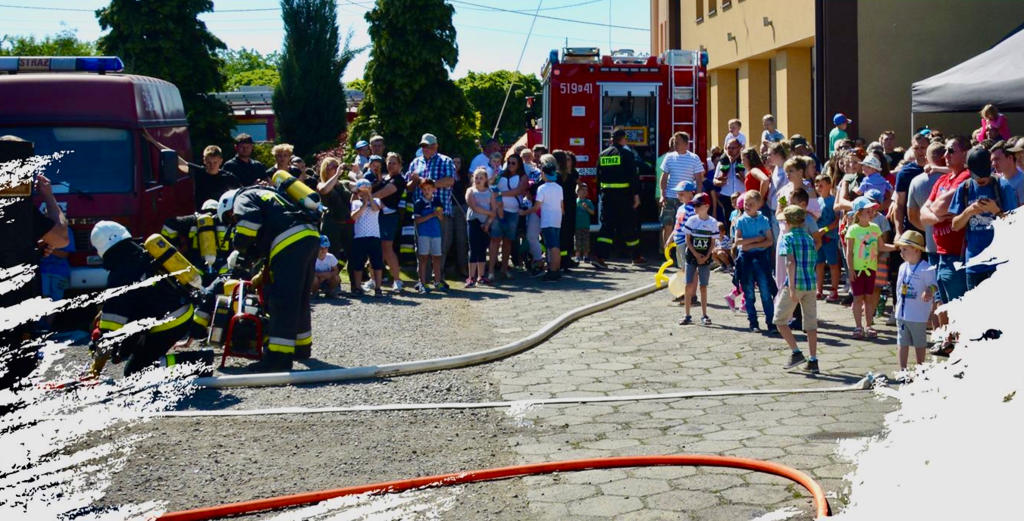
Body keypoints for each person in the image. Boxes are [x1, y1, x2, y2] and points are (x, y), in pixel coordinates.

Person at [219, 183, 320, 370]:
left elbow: (249, 225)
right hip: (310, 236)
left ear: (229, 206)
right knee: (299, 297)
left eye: (231, 218)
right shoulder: (271, 195)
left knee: (282, 299)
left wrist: (240, 248)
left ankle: (278, 358)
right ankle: (301, 347)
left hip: (288, 240)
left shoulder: (244, 197)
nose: (233, 220)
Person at [90, 221, 196, 376]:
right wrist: (122, 350)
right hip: (180, 311)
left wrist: (96, 367)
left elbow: (109, 330)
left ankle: (199, 362)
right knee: (136, 356)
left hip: (171, 321)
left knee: (135, 372)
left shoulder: (120, 274)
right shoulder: (143, 253)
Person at [919, 136, 971, 354]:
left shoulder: (966, 178)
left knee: (958, 303)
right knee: (943, 302)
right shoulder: (942, 180)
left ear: (965, 154)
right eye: (945, 152)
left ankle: (960, 349)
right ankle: (950, 344)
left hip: (957, 253)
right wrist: (937, 215)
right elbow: (924, 214)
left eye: (951, 151)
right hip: (939, 253)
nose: (946, 156)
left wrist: (935, 213)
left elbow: (938, 206)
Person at [949, 146, 1019, 289]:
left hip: (999, 264)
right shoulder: (965, 188)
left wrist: (996, 211)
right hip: (974, 265)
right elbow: (955, 226)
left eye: (984, 175)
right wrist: (968, 212)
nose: (981, 179)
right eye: (977, 176)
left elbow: (1015, 225)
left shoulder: (1002, 187)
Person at [775, 205, 820, 373]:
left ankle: (796, 352)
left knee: (779, 320)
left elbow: (790, 262)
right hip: (810, 284)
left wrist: (792, 288)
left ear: (787, 222)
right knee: (811, 324)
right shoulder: (809, 238)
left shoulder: (787, 238)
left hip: (795, 284)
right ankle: (813, 359)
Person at [407, 133, 456, 286]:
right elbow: (409, 187)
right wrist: (414, 182)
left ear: (436, 146)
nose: (425, 149)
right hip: (421, 213)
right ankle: (423, 280)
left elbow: (450, 181)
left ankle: (438, 279)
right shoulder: (415, 162)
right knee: (421, 249)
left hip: (441, 211)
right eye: (423, 146)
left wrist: (426, 183)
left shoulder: (445, 161)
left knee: (440, 248)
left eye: (428, 146)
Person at [592, 128, 644, 268]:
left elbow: (598, 177)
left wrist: (599, 194)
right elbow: (633, 177)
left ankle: (599, 256)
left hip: (607, 196)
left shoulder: (603, 155)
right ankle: (636, 256)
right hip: (624, 196)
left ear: (611, 140)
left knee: (607, 226)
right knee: (629, 225)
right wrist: (636, 196)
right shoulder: (627, 154)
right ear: (623, 139)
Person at [845, 196, 896, 339]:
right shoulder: (853, 230)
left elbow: (882, 246)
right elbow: (849, 252)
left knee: (869, 298)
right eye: (868, 211)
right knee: (857, 299)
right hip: (857, 269)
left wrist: (897, 247)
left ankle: (868, 325)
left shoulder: (875, 228)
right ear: (859, 213)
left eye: (872, 211)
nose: (872, 213)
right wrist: (850, 269)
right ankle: (858, 326)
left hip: (871, 269)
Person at [893, 230, 937, 379]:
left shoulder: (926, 268)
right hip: (902, 313)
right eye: (900, 249)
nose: (901, 253)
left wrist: (929, 291)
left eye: (905, 249)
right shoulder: (902, 267)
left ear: (917, 250)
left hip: (918, 314)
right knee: (901, 341)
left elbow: (934, 285)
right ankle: (903, 370)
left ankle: (920, 369)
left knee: (919, 343)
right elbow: (899, 289)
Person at [734, 190, 777, 334]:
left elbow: (769, 241)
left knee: (766, 292)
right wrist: (757, 240)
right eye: (746, 203)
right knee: (749, 293)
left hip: (760, 258)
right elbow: (738, 242)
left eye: (751, 204)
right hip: (745, 260)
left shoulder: (763, 220)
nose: (747, 206)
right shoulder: (740, 220)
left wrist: (750, 245)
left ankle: (771, 322)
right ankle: (753, 322)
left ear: (758, 205)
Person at [365, 152, 407, 292]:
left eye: (394, 162)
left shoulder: (399, 180)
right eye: (389, 162)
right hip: (376, 215)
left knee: (387, 248)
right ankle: (373, 279)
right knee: (374, 247)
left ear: (400, 165)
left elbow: (384, 193)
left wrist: (367, 197)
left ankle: (397, 280)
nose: (391, 165)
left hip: (389, 217)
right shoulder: (383, 178)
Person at [659, 132, 705, 246]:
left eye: (677, 142)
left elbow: (699, 180)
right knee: (667, 224)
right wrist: (662, 194)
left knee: (685, 226)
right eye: (674, 142)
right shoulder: (669, 157)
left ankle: (683, 252)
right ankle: (668, 254)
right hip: (670, 197)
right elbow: (663, 178)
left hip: (687, 200)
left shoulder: (694, 158)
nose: (675, 145)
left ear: (686, 144)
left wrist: (698, 199)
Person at [317, 157, 355, 293]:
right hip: (331, 223)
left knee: (352, 254)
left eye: (335, 166)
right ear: (325, 170)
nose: (334, 169)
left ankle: (355, 285)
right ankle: (330, 284)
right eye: (330, 167)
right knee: (332, 254)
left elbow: (361, 187)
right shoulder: (321, 184)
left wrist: (356, 172)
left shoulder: (344, 183)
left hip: (347, 224)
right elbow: (325, 190)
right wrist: (337, 174)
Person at [907, 142, 948, 266]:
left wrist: (929, 228)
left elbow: (912, 216)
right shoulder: (955, 177)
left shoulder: (916, 181)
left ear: (927, 158)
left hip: (931, 244)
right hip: (954, 244)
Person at [679, 193, 718, 326]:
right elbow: (688, 240)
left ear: (706, 206)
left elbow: (713, 242)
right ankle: (687, 314)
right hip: (691, 256)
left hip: (705, 257)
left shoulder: (713, 223)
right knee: (688, 284)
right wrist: (696, 255)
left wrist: (707, 256)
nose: (695, 208)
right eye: (694, 205)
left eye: (697, 205)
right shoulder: (691, 220)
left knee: (703, 286)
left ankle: (704, 314)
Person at [492, 153, 529, 278]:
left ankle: (504, 268)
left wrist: (500, 194)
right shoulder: (501, 174)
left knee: (508, 241)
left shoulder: (523, 176)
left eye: (514, 163)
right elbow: (492, 186)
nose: (511, 165)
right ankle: (491, 270)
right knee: (495, 240)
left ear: (519, 164)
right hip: (498, 211)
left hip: (513, 212)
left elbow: (519, 191)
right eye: (509, 162)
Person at [348, 179, 384, 297]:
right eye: (361, 192)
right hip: (360, 237)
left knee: (377, 263)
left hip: (374, 236)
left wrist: (369, 197)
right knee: (358, 264)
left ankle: (378, 288)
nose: (363, 193)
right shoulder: (355, 203)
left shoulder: (376, 200)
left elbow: (375, 209)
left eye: (366, 190)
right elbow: (353, 217)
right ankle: (357, 287)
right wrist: (363, 204)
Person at [531, 155, 564, 281]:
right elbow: (561, 206)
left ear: (544, 174)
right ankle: (556, 269)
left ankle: (553, 271)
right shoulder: (559, 187)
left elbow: (537, 206)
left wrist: (524, 212)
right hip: (557, 219)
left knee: (552, 246)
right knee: (556, 245)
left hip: (547, 220)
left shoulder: (542, 188)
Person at [465, 167, 498, 287]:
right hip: (474, 222)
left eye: (481, 177)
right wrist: (490, 213)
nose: (478, 180)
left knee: (482, 249)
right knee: (473, 249)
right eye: (476, 177)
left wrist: (488, 223)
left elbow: (494, 208)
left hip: (485, 224)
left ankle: (481, 276)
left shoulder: (490, 192)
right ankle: (471, 277)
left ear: (486, 179)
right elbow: (474, 207)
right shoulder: (470, 191)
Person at [413, 178, 445, 292]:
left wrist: (439, 214)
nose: (427, 191)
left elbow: (441, 218)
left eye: (429, 189)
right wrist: (432, 214)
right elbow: (417, 220)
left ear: (434, 190)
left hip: (436, 233)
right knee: (423, 258)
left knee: (437, 258)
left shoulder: (437, 201)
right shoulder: (419, 203)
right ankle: (422, 283)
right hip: (423, 234)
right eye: (424, 189)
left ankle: (437, 282)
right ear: (421, 190)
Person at [814, 174, 841, 302]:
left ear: (829, 185)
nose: (819, 188)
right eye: (817, 185)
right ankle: (819, 290)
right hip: (818, 238)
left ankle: (834, 290)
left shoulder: (833, 201)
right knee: (819, 264)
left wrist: (824, 230)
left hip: (829, 237)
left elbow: (836, 221)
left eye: (821, 185)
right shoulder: (816, 201)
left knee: (833, 264)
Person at [714, 139, 746, 223]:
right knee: (728, 222)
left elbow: (748, 180)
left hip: (741, 196)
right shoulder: (723, 161)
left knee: (742, 221)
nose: (730, 150)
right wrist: (721, 182)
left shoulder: (744, 161)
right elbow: (715, 180)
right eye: (728, 148)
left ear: (739, 148)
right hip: (726, 196)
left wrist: (741, 178)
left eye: (733, 148)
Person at [39, 225, 74, 302]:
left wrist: (47, 247)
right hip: (43, 271)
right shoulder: (38, 228)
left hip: (59, 272)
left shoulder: (66, 230)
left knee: (56, 300)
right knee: (44, 299)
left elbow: (65, 254)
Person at [991, 140, 1024, 205]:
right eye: (992, 160)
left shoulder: (1022, 181)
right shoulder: (996, 182)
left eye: (997, 159)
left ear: (1010, 158)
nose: (993, 164)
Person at [575, 183, 595, 262]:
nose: (584, 192)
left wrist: (587, 208)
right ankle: (577, 256)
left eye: (586, 190)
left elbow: (592, 212)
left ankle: (586, 256)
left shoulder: (588, 202)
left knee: (586, 241)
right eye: (582, 190)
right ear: (577, 191)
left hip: (585, 225)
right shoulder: (575, 201)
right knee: (577, 241)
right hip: (577, 225)